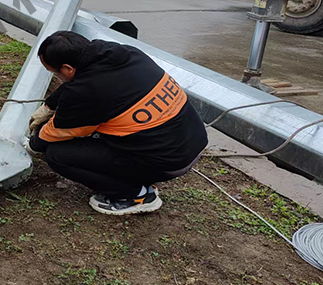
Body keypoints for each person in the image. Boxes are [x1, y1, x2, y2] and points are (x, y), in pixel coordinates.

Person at [27, 31, 207, 216]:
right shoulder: (124, 54)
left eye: (54, 72)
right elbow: (81, 80)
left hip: (169, 162)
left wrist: (33, 145)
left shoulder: (88, 91)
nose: (56, 76)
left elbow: (56, 132)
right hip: (191, 141)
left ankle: (136, 196)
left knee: (58, 155)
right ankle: (136, 176)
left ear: (67, 68)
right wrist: (50, 106)